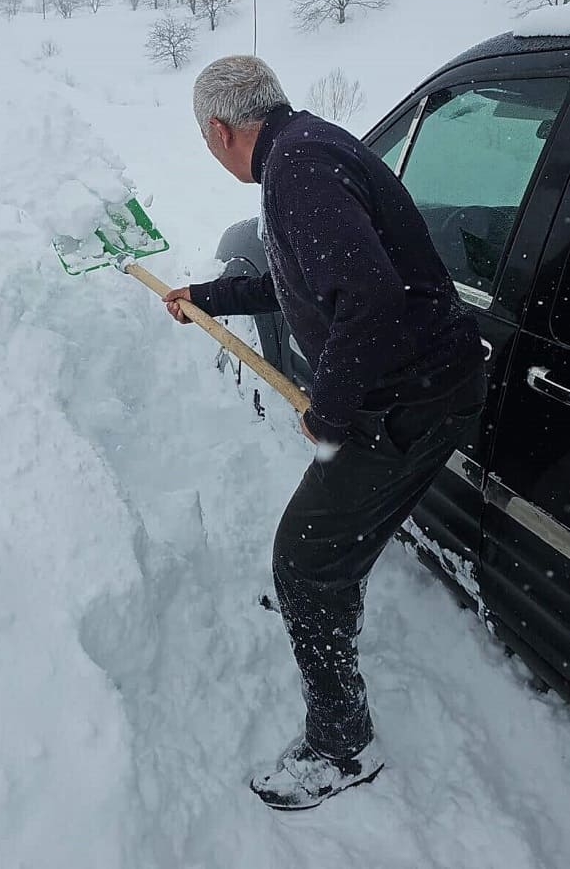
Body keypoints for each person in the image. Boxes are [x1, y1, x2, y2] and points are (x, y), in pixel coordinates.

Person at [162, 56, 487, 811]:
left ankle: (342, 745)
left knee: (303, 561)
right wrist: (208, 295)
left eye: (205, 140)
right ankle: (331, 598)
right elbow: (308, 279)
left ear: (220, 129)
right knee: (334, 538)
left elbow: (366, 296)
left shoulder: (297, 169)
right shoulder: (307, 147)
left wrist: (330, 410)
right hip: (431, 385)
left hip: (406, 403)